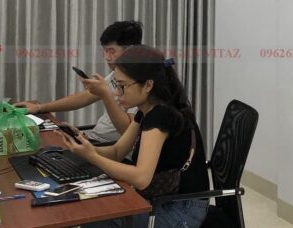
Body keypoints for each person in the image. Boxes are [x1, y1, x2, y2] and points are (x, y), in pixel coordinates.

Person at [58, 46, 210, 228]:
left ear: (148, 85)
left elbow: (141, 178)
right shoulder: (146, 109)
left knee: (93, 215)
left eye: (123, 86)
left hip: (180, 209)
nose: (117, 93)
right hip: (163, 199)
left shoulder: (161, 115)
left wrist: (93, 157)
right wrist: (87, 148)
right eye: (116, 85)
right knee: (90, 208)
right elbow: (117, 152)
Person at [14, 21, 143, 142]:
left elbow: (128, 132)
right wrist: (39, 107)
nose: (106, 57)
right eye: (105, 51)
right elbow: (84, 97)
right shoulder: (117, 73)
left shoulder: (139, 82)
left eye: (112, 51)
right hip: (92, 140)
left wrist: (106, 95)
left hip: (106, 147)